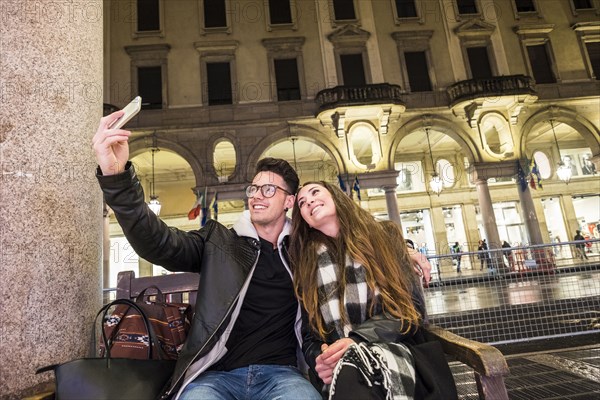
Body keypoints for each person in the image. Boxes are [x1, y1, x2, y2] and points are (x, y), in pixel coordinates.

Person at [92, 111, 322, 400]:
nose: (256, 195)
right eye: (253, 188)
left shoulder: (304, 253)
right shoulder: (219, 241)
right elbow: (158, 243)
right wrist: (118, 178)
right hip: (216, 375)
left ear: (289, 201)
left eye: (268, 189)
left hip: (281, 375)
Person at [290, 181, 457, 400]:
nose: (309, 201)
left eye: (315, 193)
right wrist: (320, 361)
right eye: (302, 202)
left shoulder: (384, 238)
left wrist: (357, 341)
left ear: (336, 198)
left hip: (396, 351)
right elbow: (311, 335)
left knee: (353, 369)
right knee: (350, 369)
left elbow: (410, 309)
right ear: (306, 221)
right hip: (341, 369)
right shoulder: (308, 266)